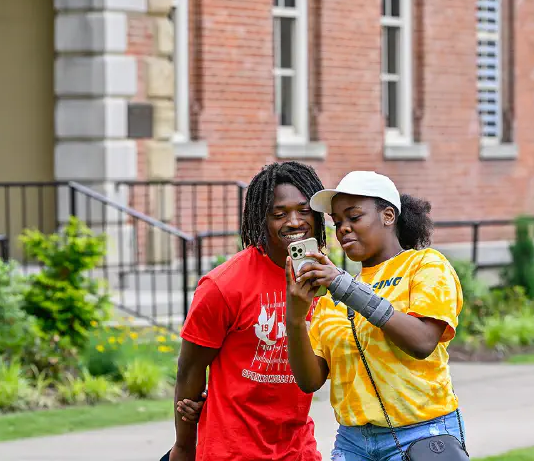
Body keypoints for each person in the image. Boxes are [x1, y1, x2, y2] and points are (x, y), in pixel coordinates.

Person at [286, 170, 467, 461]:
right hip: (352, 442)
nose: (343, 228)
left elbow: (421, 342)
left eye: (354, 217)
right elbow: (310, 380)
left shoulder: (425, 265)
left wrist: (343, 285)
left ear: (387, 215)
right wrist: (294, 319)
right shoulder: (332, 295)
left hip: (420, 434)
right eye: (337, 222)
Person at [168, 162, 327, 461]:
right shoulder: (222, 286)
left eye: (304, 211)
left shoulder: (325, 282)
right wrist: (184, 446)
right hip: (232, 450)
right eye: (279, 214)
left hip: (299, 450)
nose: (294, 222)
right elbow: (189, 370)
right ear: (260, 219)